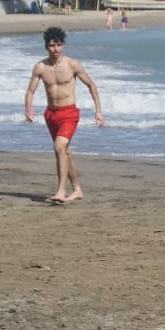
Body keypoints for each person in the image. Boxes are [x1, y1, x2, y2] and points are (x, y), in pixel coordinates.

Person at [25, 27, 105, 203]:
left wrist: (98, 111)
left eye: (59, 45)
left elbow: (92, 85)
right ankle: (77, 190)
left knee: (59, 147)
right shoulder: (40, 67)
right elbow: (30, 90)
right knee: (64, 153)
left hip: (69, 113)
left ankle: (61, 191)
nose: (56, 49)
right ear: (46, 46)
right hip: (51, 114)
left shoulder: (72, 64)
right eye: (52, 45)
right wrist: (28, 109)